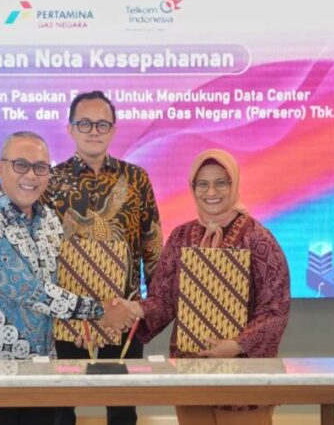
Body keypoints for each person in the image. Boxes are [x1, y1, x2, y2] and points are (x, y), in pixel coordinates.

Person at [0, 131, 137, 425]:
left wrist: (80, 327)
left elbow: (59, 286)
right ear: (0, 168)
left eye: (40, 167)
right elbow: (29, 291)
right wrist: (99, 310)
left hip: (41, 374)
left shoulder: (49, 221)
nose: (31, 175)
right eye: (21, 165)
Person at [121, 148, 291, 425]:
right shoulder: (181, 236)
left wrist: (236, 345)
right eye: (202, 184)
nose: (211, 191)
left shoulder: (259, 239)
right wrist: (133, 310)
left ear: (234, 183)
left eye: (221, 182)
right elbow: (163, 300)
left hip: (243, 375)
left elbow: (275, 310)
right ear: (192, 187)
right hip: (191, 371)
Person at [43, 91, 164, 425]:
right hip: (69, 316)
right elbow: (43, 252)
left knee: (122, 407)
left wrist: (151, 310)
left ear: (113, 129)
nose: (93, 131)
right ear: (70, 129)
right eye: (85, 123)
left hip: (123, 313)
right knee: (61, 409)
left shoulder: (136, 179)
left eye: (102, 124)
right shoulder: (50, 182)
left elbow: (152, 244)